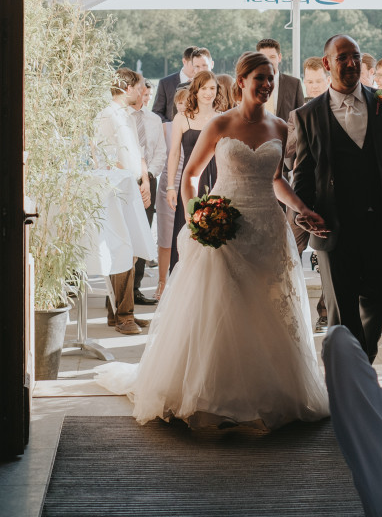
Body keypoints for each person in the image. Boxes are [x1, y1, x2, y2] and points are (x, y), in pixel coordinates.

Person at [95, 51, 329, 431]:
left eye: (271, 78)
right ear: (241, 82)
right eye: (260, 79)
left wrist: (302, 208)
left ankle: (270, 391)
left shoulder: (280, 128)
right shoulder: (220, 124)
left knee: (268, 311)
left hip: (269, 227)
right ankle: (216, 394)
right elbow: (190, 176)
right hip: (226, 228)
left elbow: (276, 180)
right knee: (222, 309)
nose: (267, 85)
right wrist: (198, 219)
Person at [293, 35, 382, 363]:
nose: (351, 63)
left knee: (381, 298)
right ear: (327, 64)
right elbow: (303, 172)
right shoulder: (307, 114)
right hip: (333, 227)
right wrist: (302, 210)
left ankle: (357, 361)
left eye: (355, 57)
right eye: (343, 58)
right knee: (343, 307)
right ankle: (355, 373)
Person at [94, 68, 153, 335]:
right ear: (128, 88)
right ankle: (124, 316)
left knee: (131, 248)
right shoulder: (108, 116)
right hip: (117, 190)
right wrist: (128, 180)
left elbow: (135, 152)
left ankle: (117, 313)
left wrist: (144, 180)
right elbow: (104, 157)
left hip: (130, 187)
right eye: (140, 87)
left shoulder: (125, 116)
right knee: (123, 248)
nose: (142, 92)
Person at [284, 56, 330, 329]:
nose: (313, 86)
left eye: (317, 81)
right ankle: (289, 306)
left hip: (329, 194)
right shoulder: (296, 115)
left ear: (327, 80)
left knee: (326, 254)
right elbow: (288, 152)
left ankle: (325, 313)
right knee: (290, 248)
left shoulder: (337, 110)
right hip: (300, 192)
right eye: (309, 82)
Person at [167, 70, 220, 274]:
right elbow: (174, 154)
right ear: (195, 91)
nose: (208, 93)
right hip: (189, 183)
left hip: (216, 180)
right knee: (187, 232)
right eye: (204, 88)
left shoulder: (221, 118)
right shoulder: (182, 118)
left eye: (212, 88)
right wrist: (171, 186)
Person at [131, 74, 167, 305]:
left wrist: (149, 175)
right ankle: (118, 292)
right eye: (141, 90)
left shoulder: (154, 120)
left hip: (148, 180)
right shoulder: (121, 119)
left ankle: (134, 288)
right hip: (123, 180)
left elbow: (160, 152)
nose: (144, 95)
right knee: (125, 234)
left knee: (143, 233)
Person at [154, 85, 190, 299]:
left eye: (186, 101)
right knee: (165, 237)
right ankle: (161, 282)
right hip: (168, 183)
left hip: (188, 183)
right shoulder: (166, 127)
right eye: (179, 102)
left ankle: (182, 283)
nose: (182, 105)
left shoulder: (196, 125)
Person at [256, 38, 304, 121]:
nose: (268, 61)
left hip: (286, 133)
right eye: (263, 57)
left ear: (279, 57)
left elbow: (301, 117)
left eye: (272, 57)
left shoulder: (294, 84)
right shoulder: (251, 84)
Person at [152, 46, 197, 123]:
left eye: (199, 65)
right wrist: (171, 126)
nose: (197, 69)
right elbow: (157, 112)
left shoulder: (204, 84)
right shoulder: (165, 83)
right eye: (194, 65)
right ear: (184, 61)